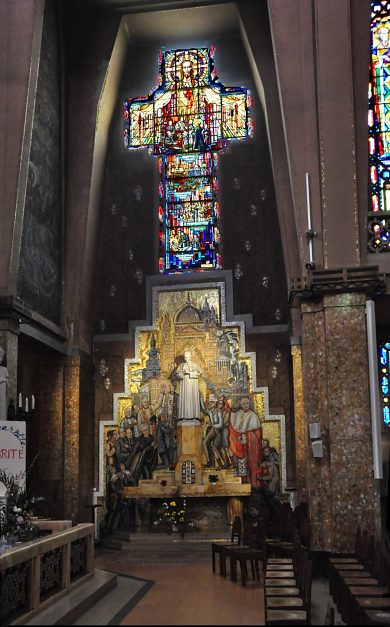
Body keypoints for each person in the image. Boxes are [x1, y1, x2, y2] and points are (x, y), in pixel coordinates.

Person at [229, 397, 262, 487]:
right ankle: (239, 479)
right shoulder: (238, 414)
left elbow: (256, 432)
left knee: (246, 461)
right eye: (243, 404)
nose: (245, 405)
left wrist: (247, 436)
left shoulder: (253, 416)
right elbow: (234, 426)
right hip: (238, 442)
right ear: (241, 405)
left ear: (249, 404)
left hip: (248, 444)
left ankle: (248, 480)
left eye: (247, 403)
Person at [176, 350, 202, 422]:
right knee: (185, 399)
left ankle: (194, 416)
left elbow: (199, 373)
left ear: (190, 356)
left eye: (187, 357)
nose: (186, 358)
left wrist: (190, 373)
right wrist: (182, 373)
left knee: (193, 398)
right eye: (185, 357)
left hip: (193, 385)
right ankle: (184, 416)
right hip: (184, 385)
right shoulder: (181, 365)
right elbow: (177, 375)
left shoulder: (195, 364)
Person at [0, 346, 9, 420]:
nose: (0, 359)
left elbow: (7, 381)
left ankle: (3, 420)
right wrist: (2, 379)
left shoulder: (4, 369)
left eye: (1, 357)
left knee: (3, 403)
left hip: (2, 393)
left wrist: (7, 382)